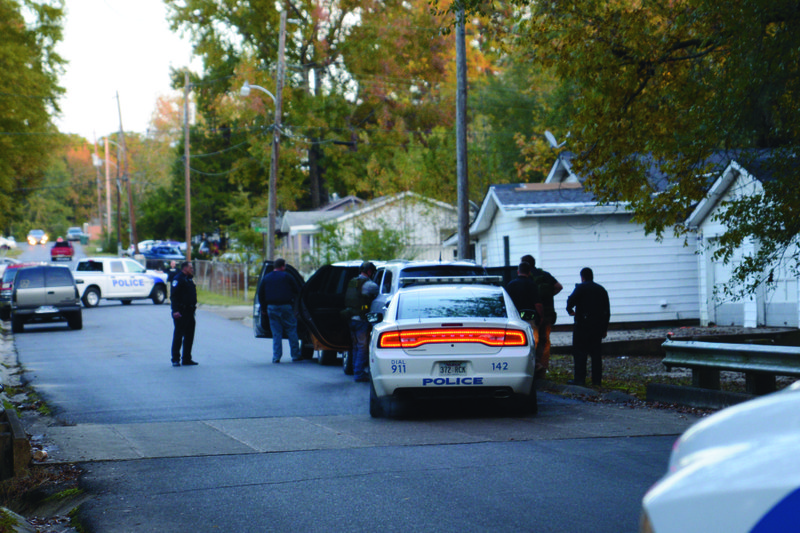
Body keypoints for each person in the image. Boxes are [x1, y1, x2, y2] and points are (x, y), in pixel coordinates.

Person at [566, 267, 610, 387]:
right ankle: (596, 380)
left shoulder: (580, 288)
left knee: (580, 353)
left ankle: (580, 379)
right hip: (597, 326)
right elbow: (607, 311)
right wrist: (604, 328)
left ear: (582, 277)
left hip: (582, 325)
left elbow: (570, 301)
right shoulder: (601, 290)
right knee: (596, 355)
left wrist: (570, 310)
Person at [521, 254, 563, 378]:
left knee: (532, 341)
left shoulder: (528, 278)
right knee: (545, 341)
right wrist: (549, 296)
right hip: (548, 312)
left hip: (533, 315)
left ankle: (533, 368)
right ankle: (543, 370)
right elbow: (559, 287)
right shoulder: (545, 275)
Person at [258, 258, 301, 363]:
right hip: (286, 306)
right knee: (291, 330)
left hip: (271, 308)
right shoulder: (287, 276)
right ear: (283, 266)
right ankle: (295, 355)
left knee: (276, 333)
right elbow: (297, 290)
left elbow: (261, 294)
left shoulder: (266, 278)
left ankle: (276, 356)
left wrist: (263, 309)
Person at [344, 261, 379, 382]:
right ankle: (359, 374)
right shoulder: (370, 285)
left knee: (355, 347)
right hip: (360, 320)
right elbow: (377, 292)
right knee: (363, 347)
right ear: (369, 271)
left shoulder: (352, 281)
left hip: (350, 318)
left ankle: (355, 370)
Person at [505, 261, 544, 352]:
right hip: (530, 316)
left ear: (518, 272)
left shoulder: (511, 285)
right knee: (533, 339)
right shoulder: (532, 285)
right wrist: (541, 316)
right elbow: (538, 304)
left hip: (514, 317)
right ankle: (532, 357)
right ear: (529, 272)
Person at [171, 261, 198, 367]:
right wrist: (175, 310)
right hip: (181, 311)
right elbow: (173, 296)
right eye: (190, 267)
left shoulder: (189, 279)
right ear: (185, 268)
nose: (192, 269)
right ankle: (175, 358)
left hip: (190, 311)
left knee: (189, 336)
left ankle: (186, 358)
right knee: (179, 335)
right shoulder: (178, 279)